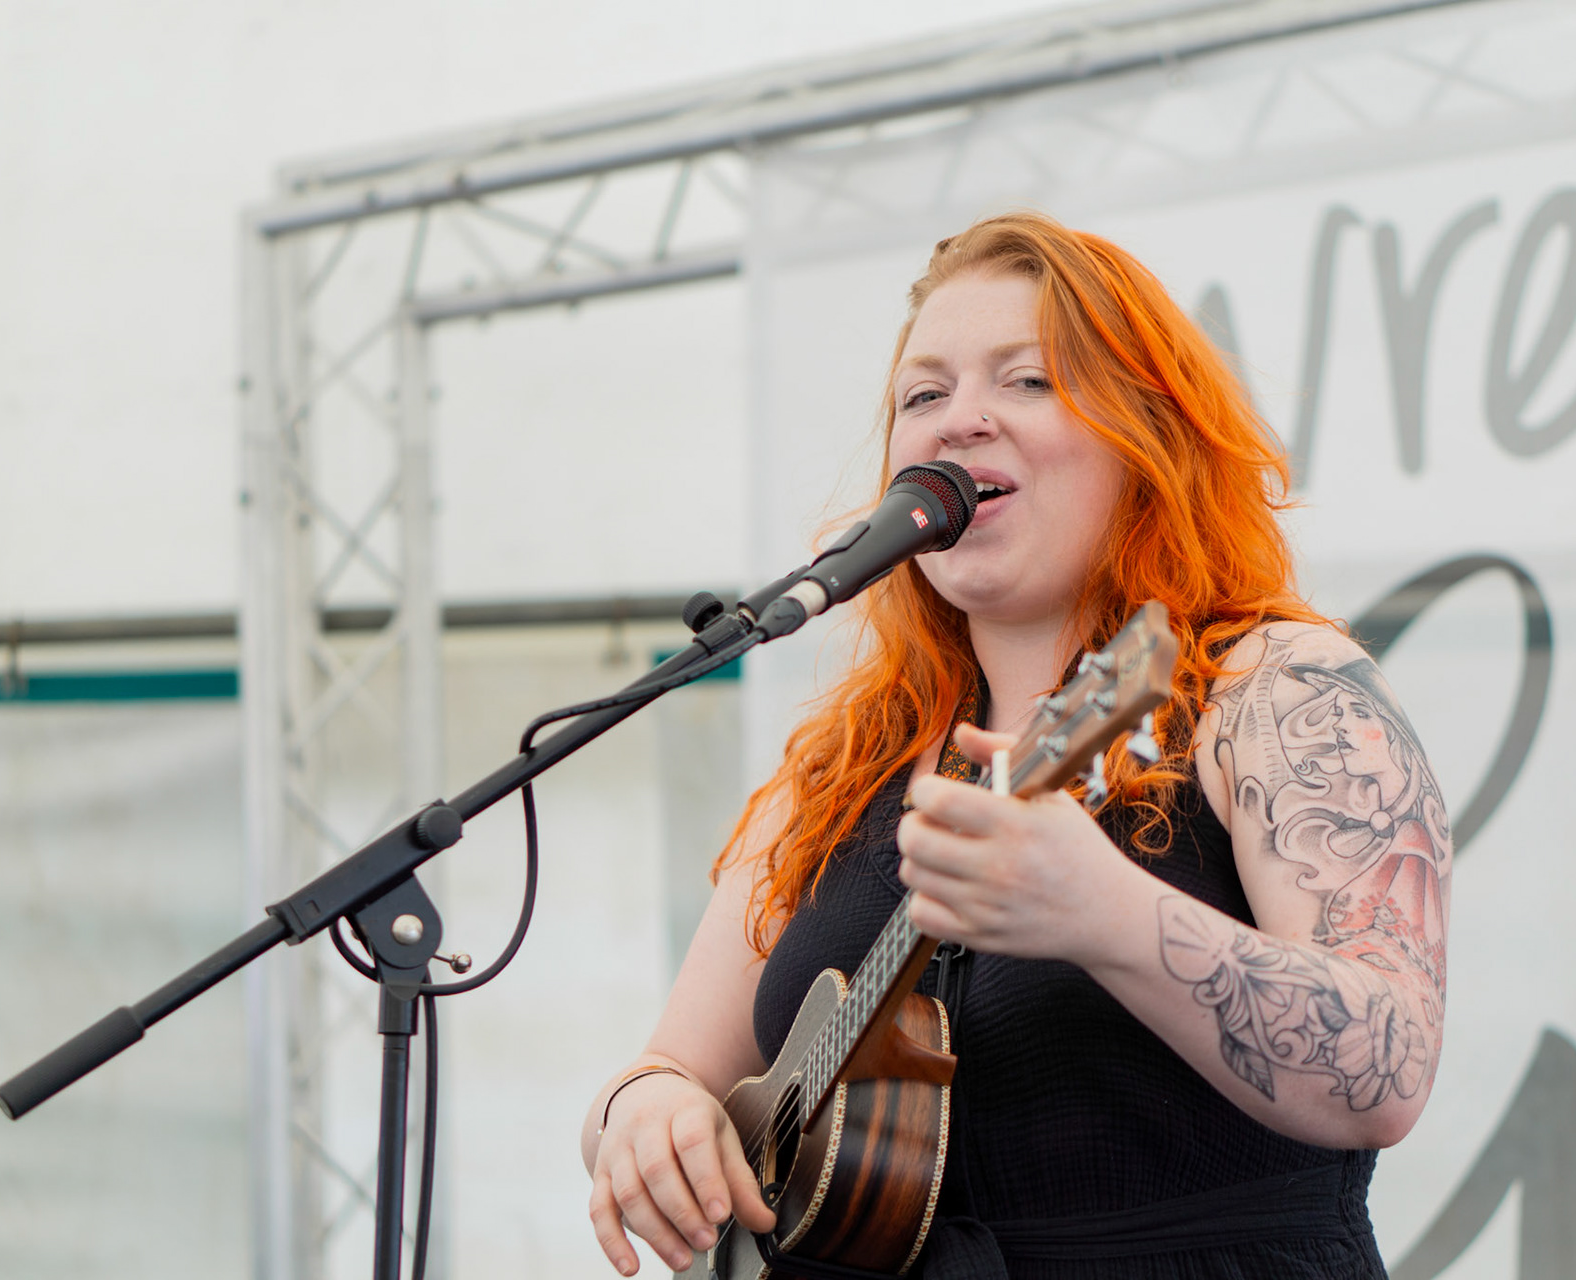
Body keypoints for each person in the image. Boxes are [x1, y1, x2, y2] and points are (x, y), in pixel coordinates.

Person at [580, 211, 1451, 1278]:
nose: (960, 420)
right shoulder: (840, 764)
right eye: (923, 396)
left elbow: (1387, 1069)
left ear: (1147, 433)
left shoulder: (1274, 685)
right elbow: (670, 1064)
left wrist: (1111, 912)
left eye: (1027, 380)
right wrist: (644, 1109)